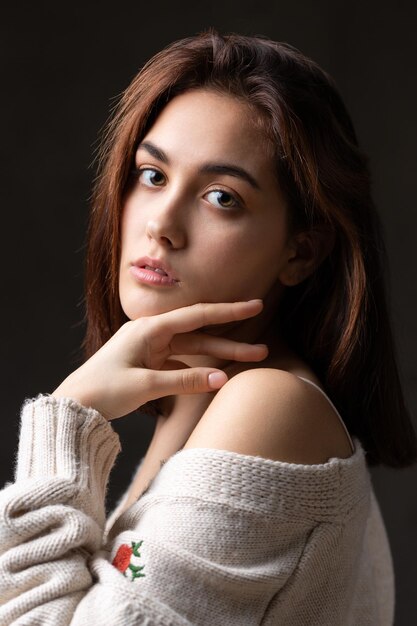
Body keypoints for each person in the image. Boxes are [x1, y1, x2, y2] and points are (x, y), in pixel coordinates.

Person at [0, 29, 415, 626]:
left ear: (302, 251)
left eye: (222, 197)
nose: (162, 223)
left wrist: (67, 416)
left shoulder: (271, 408)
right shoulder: (201, 401)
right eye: (152, 175)